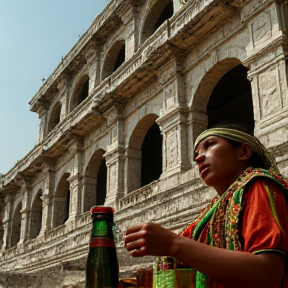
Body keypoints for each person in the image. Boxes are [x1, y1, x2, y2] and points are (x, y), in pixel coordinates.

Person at [124, 122, 288, 288]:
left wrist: (173, 244)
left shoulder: (258, 186)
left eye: (209, 145)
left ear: (244, 152)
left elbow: (267, 273)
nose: (198, 158)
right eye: (197, 153)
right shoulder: (206, 217)